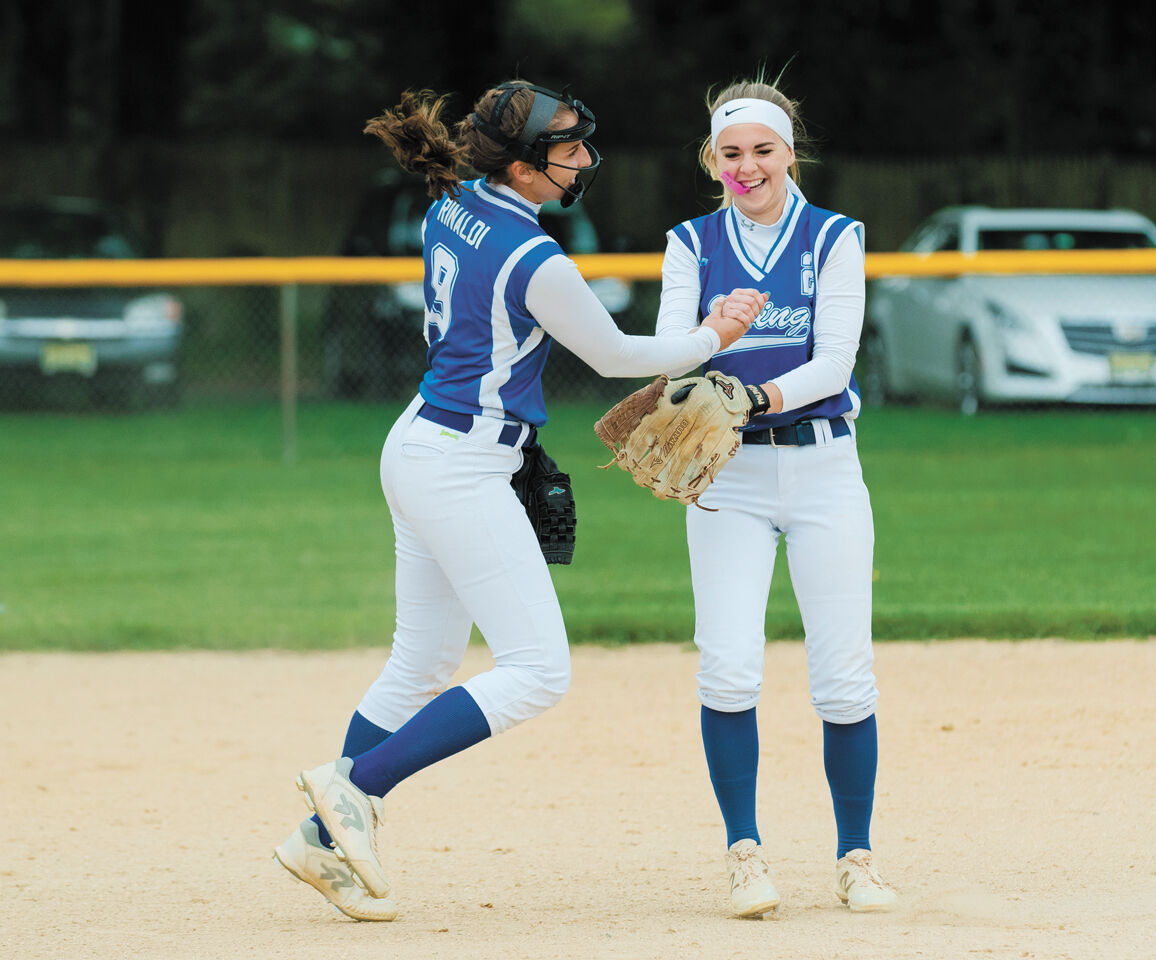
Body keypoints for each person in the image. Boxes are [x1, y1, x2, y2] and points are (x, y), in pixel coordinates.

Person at [272, 81, 767, 922]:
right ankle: (352, 790)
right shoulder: (532, 256)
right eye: (565, 147)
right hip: (460, 462)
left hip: (420, 444)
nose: (580, 160)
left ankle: (320, 837)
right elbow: (613, 354)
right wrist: (716, 336)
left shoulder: (454, 202)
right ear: (522, 162)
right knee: (538, 670)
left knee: (421, 662)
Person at [655, 79, 898, 918]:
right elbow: (671, 365)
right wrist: (708, 333)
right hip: (728, 476)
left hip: (825, 468)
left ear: (791, 151)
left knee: (843, 677)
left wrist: (751, 396)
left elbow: (834, 362)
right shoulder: (690, 242)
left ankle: (856, 858)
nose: (747, 166)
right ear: (711, 160)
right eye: (730, 153)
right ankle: (744, 853)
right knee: (727, 663)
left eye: (763, 149)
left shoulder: (834, 237)